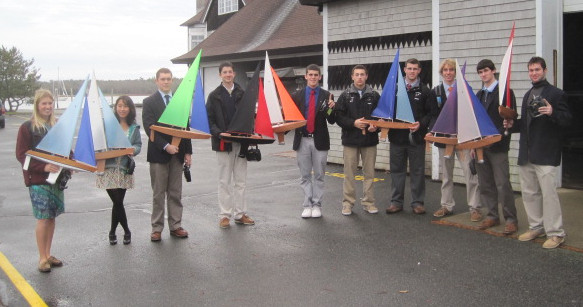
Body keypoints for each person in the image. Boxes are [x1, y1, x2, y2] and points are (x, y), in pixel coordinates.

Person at [504, 56, 572, 249]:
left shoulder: (557, 94)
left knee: (549, 194)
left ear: (545, 70)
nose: (534, 73)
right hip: (527, 152)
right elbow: (526, 124)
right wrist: (512, 124)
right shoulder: (527, 95)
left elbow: (567, 120)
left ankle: (556, 233)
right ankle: (536, 226)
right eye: (531, 70)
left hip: (546, 153)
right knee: (529, 192)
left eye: (537, 70)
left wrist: (553, 113)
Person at [427, 59, 482, 221]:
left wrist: (474, 137)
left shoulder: (465, 89)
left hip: (463, 139)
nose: (448, 72)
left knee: (470, 174)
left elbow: (472, 114)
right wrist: (432, 132)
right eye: (445, 70)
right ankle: (446, 205)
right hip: (445, 140)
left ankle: (475, 207)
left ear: (455, 72)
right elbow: (433, 115)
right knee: (446, 175)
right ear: (441, 73)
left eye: (451, 70)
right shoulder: (435, 91)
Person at [15, 89, 64, 272]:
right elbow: (21, 155)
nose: (47, 107)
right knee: (43, 218)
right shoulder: (27, 127)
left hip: (56, 180)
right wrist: (43, 167)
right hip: (38, 180)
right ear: (37, 105)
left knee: (51, 218)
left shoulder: (57, 125)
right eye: (44, 103)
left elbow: (64, 149)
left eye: (50, 103)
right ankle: (42, 257)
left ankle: (48, 253)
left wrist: (72, 164)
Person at [142, 68, 192, 241]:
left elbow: (185, 128)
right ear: (156, 81)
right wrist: (166, 146)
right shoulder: (149, 102)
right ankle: (156, 228)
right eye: (162, 79)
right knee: (158, 193)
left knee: (175, 192)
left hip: (177, 155)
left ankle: (176, 225)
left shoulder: (180, 102)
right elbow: (150, 128)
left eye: (168, 79)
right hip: (158, 155)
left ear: (172, 81)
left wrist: (188, 152)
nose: (165, 82)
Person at [206, 62, 255, 229]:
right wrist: (220, 133)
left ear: (234, 74)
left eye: (230, 72)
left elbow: (250, 117)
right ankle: (224, 215)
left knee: (241, 181)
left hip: (241, 144)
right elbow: (209, 120)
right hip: (222, 144)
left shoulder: (243, 94)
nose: (228, 74)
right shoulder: (214, 96)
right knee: (224, 181)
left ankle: (240, 214)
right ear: (220, 75)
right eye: (224, 72)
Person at [473, 59, 518, 234]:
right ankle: (492, 215)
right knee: (485, 183)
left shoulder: (505, 93)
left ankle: (511, 219)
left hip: (498, 145)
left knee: (502, 183)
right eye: (480, 72)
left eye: (486, 71)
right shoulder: (478, 95)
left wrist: (496, 136)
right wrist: (473, 143)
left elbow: (510, 118)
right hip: (480, 146)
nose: (483, 74)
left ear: (493, 71)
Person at [386, 58, 432, 215]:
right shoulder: (395, 89)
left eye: (415, 69)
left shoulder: (425, 91)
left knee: (417, 171)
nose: (412, 71)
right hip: (397, 138)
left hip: (416, 138)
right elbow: (387, 111)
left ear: (419, 71)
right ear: (404, 69)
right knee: (397, 170)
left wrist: (421, 123)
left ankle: (417, 202)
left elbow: (430, 114)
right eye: (409, 68)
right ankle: (396, 202)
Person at [290, 64, 336, 218]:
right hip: (302, 139)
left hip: (320, 140)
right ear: (305, 76)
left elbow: (331, 119)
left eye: (316, 75)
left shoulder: (327, 95)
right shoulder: (297, 95)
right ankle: (307, 205)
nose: (313, 77)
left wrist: (331, 108)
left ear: (320, 77)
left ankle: (317, 205)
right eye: (310, 75)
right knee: (304, 175)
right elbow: (290, 118)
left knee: (319, 175)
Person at [335, 64, 381, 216]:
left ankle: (369, 202)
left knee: (369, 174)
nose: (360, 77)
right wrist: (353, 123)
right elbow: (339, 117)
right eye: (357, 74)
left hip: (370, 141)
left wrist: (377, 126)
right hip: (350, 141)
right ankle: (348, 204)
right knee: (349, 174)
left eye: (362, 74)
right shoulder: (345, 96)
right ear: (352, 77)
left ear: (367, 77)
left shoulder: (374, 96)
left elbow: (381, 117)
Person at [96, 96, 142, 245]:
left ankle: (113, 232)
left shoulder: (134, 127)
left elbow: (138, 145)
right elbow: (98, 141)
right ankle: (126, 231)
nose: (122, 109)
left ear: (130, 109)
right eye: (119, 106)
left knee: (118, 202)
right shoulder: (108, 124)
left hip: (124, 168)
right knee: (117, 201)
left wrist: (132, 150)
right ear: (115, 108)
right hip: (108, 167)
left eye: (125, 106)